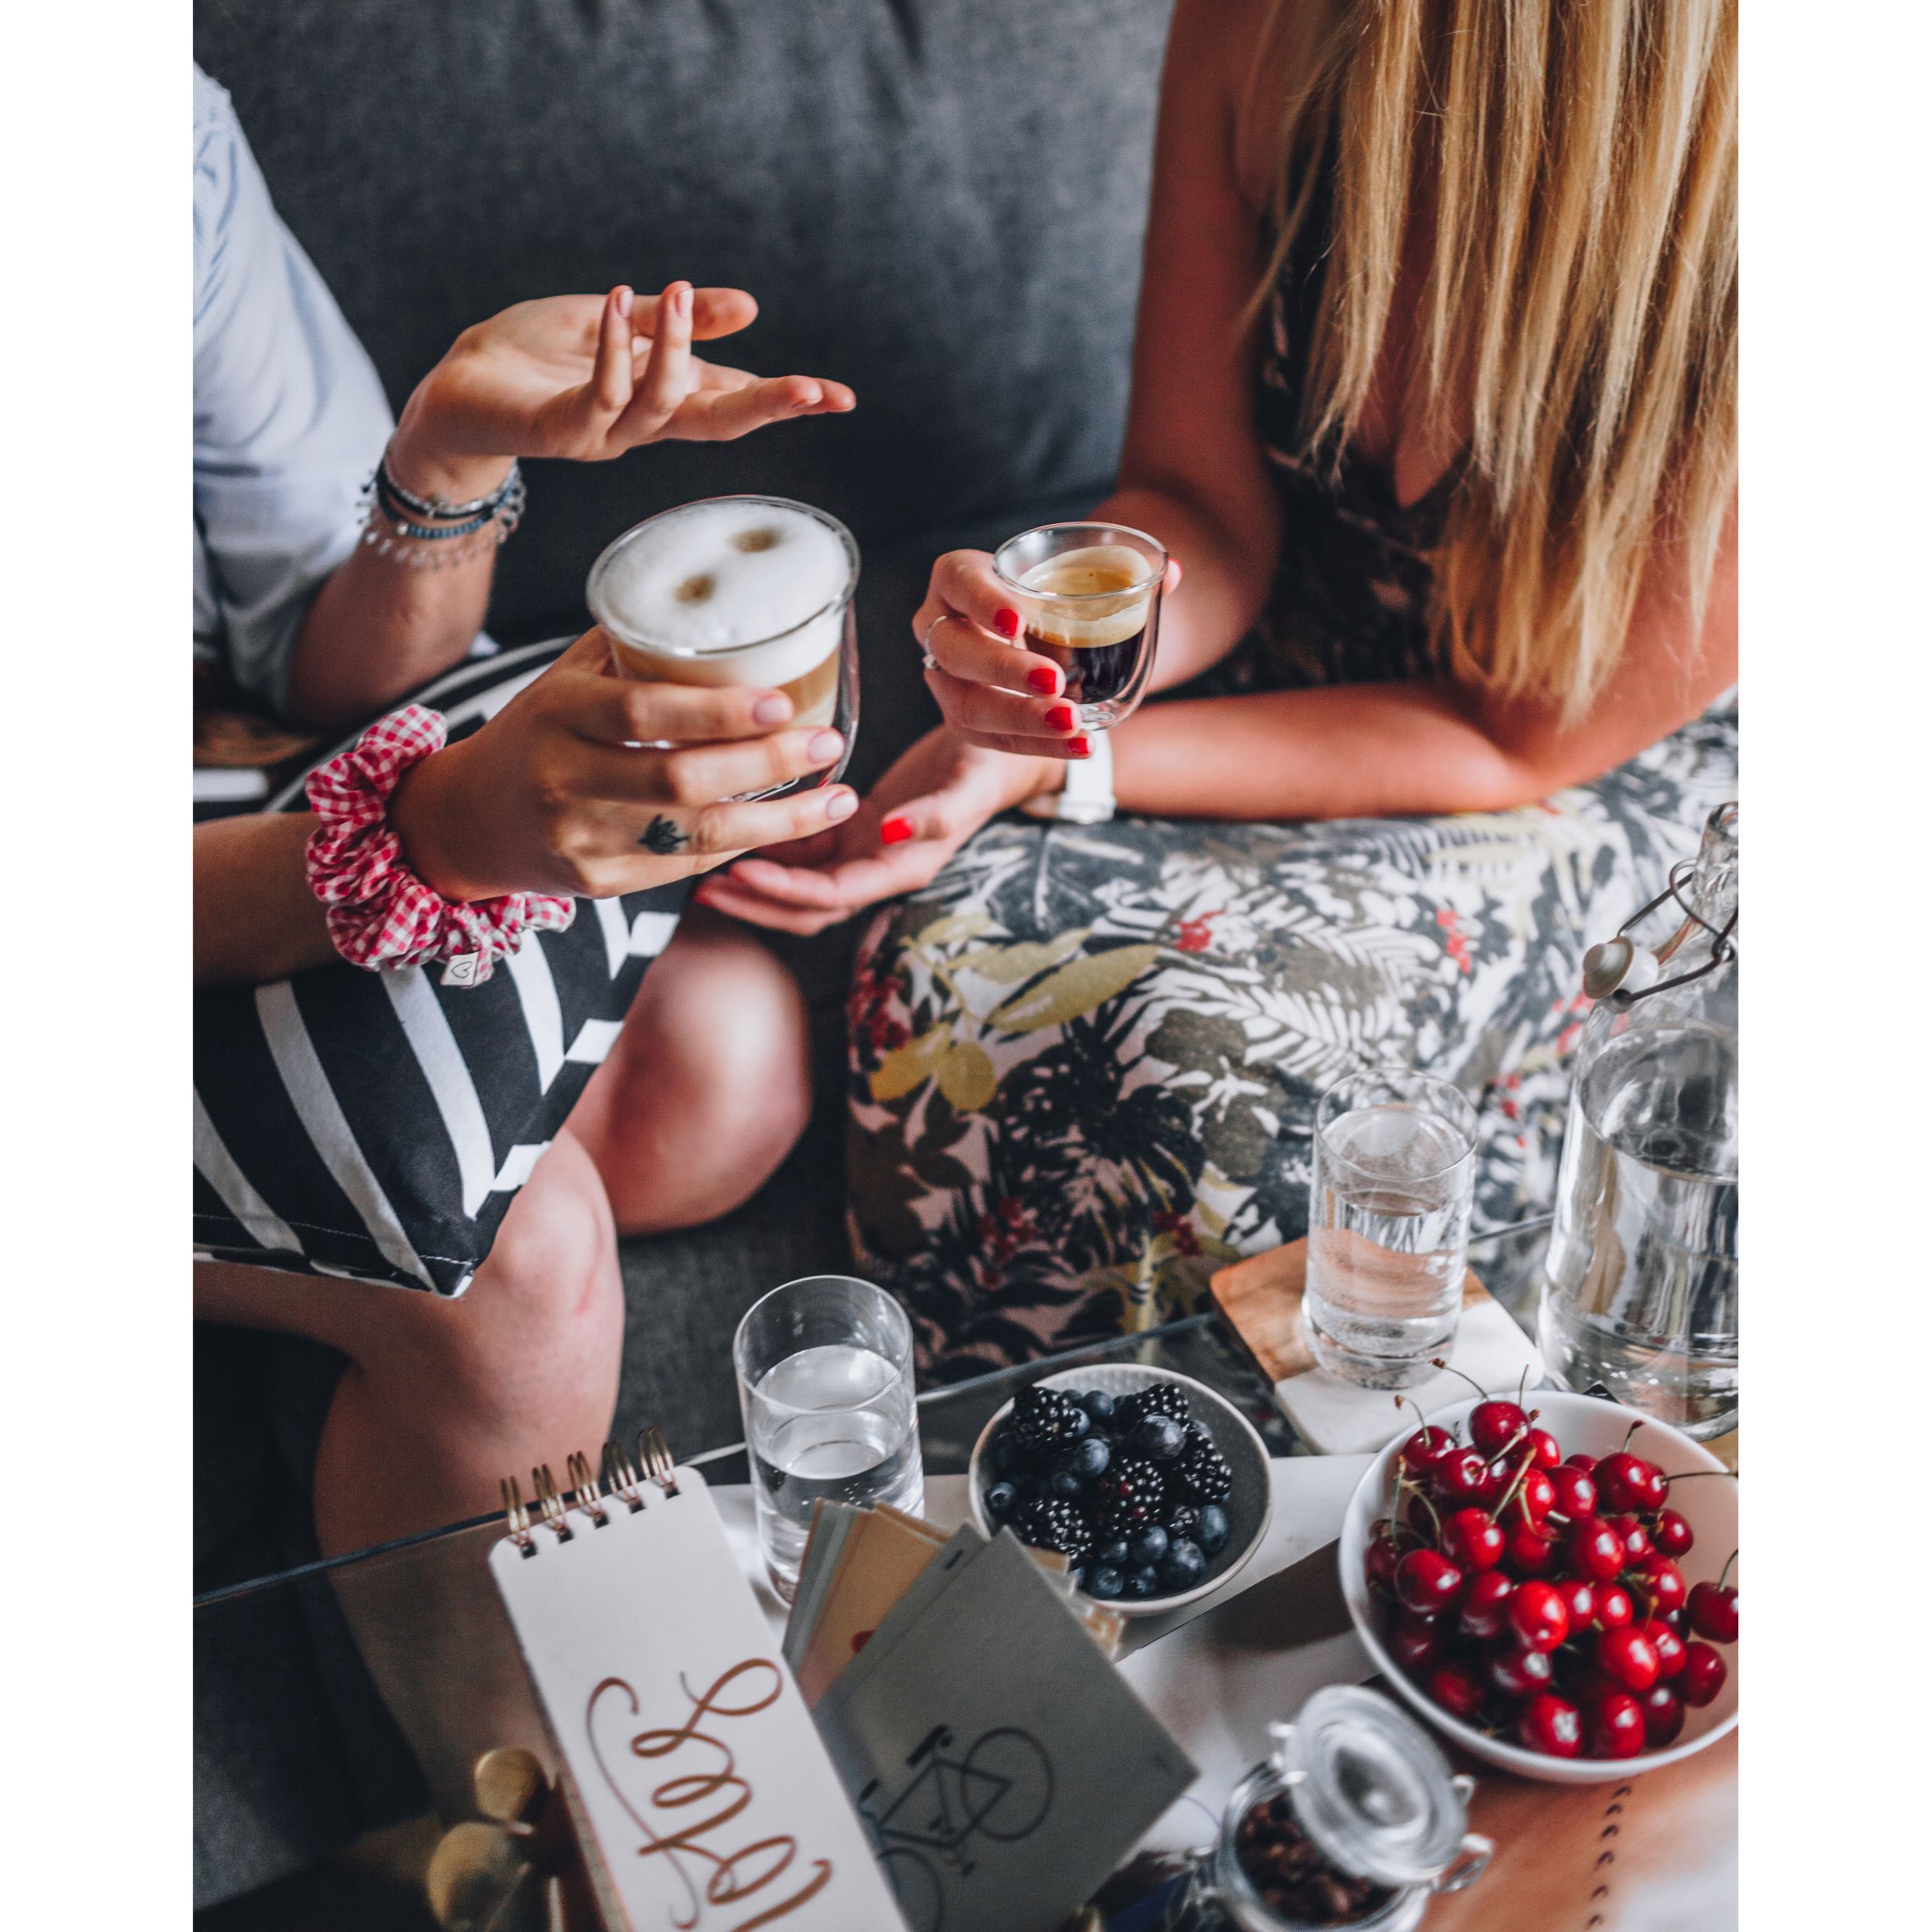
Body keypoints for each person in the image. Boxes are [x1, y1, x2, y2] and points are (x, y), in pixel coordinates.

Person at [702, 0, 1739, 1376]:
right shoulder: (1262, 27)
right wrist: (1051, 661)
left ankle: (1240, 1460)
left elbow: (1511, 738)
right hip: (1288, 665)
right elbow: (1199, 506)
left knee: (1180, 1042)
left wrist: (1071, 768)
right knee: (952, 943)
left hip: (1602, 764)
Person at [191, 66, 857, 1553]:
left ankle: (318, 1305)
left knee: (718, 1067)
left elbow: (328, 675)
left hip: (224, 785)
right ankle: (507, 1719)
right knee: (520, 1257)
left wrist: (446, 453)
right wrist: (420, 843)